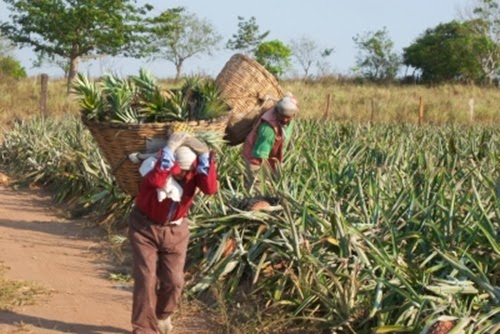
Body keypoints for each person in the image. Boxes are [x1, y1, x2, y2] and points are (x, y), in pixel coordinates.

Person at [127, 133, 218, 334]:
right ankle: (144, 329)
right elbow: (157, 182)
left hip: (176, 230)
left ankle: (162, 315)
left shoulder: (194, 174)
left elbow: (210, 188)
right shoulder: (157, 167)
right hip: (144, 228)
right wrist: (170, 147)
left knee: (175, 281)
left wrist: (204, 153)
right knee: (146, 278)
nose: (183, 176)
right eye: (179, 171)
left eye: (187, 171)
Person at [242, 93, 299, 191]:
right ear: (277, 112)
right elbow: (260, 156)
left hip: (272, 157)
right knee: (259, 189)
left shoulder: (289, 112)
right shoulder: (268, 129)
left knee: (273, 187)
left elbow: (290, 98)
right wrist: (267, 176)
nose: (285, 120)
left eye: (288, 117)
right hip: (256, 158)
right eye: (282, 116)